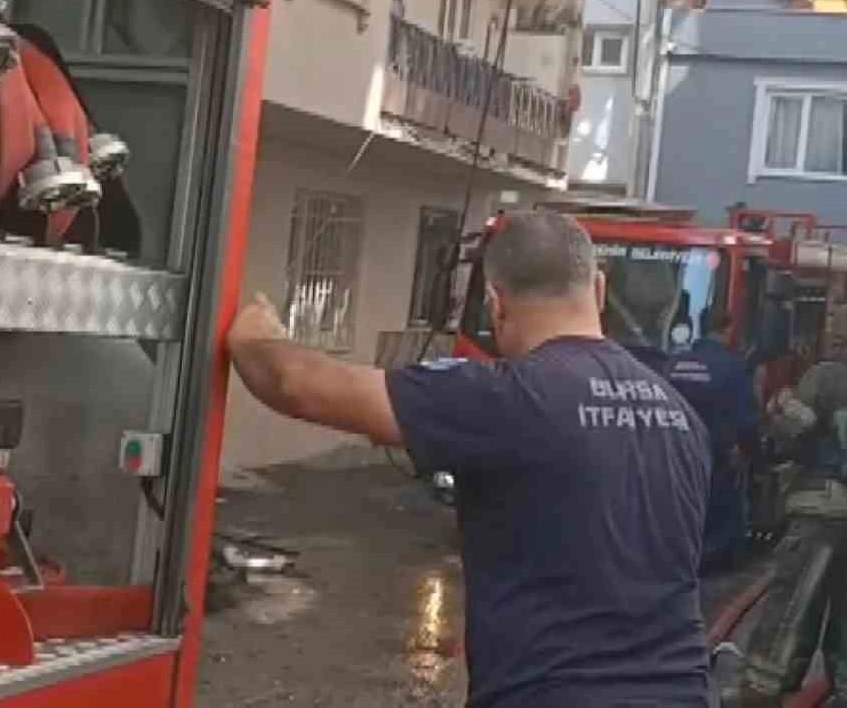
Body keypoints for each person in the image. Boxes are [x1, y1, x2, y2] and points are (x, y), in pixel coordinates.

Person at [226, 210, 714, 707]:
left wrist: (252, 337)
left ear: (495, 304)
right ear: (600, 289)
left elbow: (294, 384)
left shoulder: (507, 398)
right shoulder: (680, 415)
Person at [741, 312, 847, 708]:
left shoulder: (827, 374)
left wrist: (779, 404)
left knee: (793, 606)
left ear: (837, 336)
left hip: (820, 508)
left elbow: (795, 429)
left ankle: (760, 691)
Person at [647, 310, 759, 568]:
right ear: (728, 330)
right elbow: (746, 423)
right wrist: (752, 455)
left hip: (670, 460)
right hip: (716, 464)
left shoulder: (673, 363)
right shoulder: (732, 366)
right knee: (718, 536)